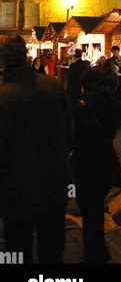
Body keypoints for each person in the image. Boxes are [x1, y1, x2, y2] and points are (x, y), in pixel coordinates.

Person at [0, 36, 74, 263]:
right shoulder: (53, 86)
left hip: (15, 192)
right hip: (53, 185)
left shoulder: (3, 97)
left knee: (17, 252)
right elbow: (70, 133)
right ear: (25, 56)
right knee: (52, 251)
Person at [71, 69, 121, 263]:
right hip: (106, 160)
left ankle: (94, 255)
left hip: (86, 163)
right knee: (95, 210)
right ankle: (98, 251)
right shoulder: (110, 102)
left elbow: (72, 138)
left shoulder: (82, 106)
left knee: (89, 211)